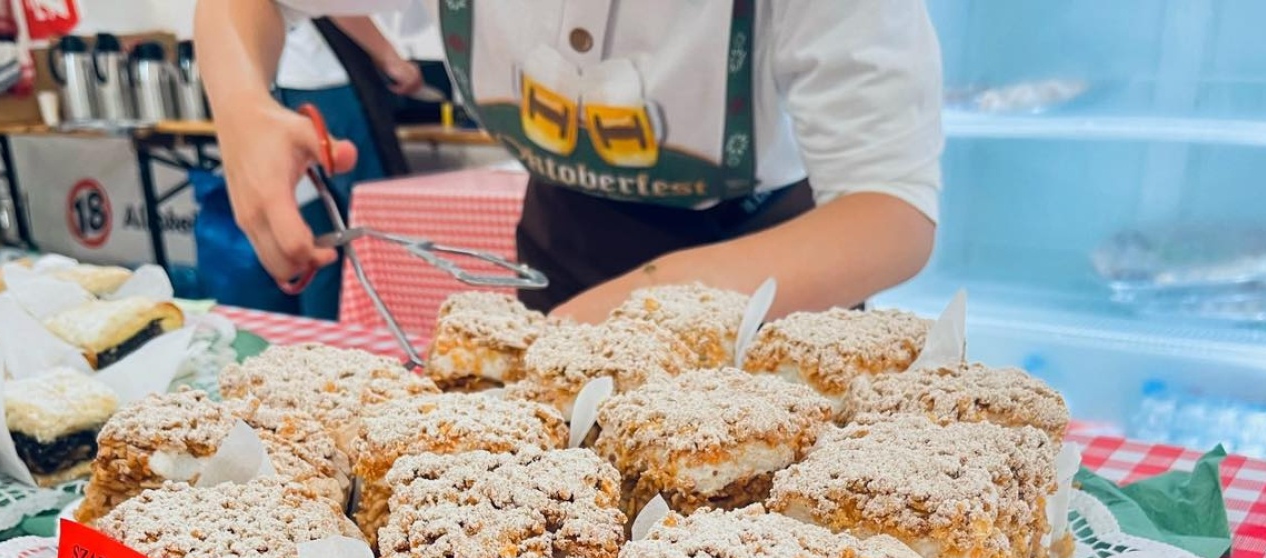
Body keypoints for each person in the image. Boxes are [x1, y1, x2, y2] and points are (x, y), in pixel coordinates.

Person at [196, 0, 942, 320]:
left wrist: (666, 290)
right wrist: (242, 111)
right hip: (569, 235)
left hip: (774, 263)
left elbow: (890, 211)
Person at [194, 14, 424, 317]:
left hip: (287, 89)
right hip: (325, 85)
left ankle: (324, 349)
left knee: (318, 241)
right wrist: (391, 58)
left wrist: (240, 107)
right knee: (369, 240)